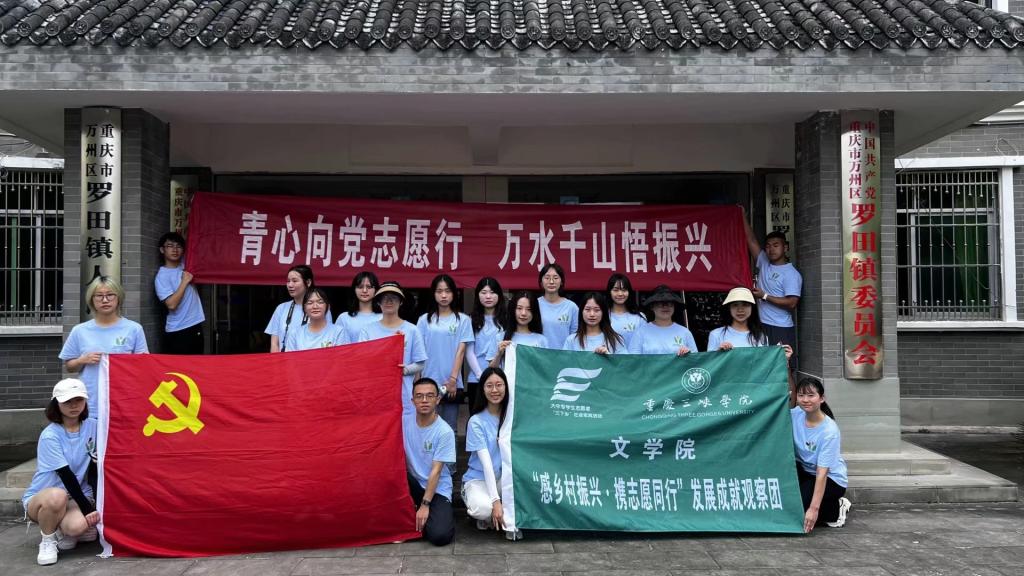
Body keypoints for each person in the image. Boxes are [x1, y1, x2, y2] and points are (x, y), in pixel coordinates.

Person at [22, 379, 100, 566]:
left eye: (79, 400)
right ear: (56, 404)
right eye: (67, 401)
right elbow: (66, 475)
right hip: (46, 497)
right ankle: (47, 540)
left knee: (77, 528)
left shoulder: (94, 426)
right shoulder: (50, 435)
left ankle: (64, 530)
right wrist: (88, 509)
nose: (74, 405)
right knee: (57, 496)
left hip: (75, 496)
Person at [59, 276, 148, 416]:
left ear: (118, 298)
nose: (105, 300)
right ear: (91, 300)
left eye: (110, 295)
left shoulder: (134, 329)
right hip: (91, 401)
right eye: (99, 296)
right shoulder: (79, 330)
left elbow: (144, 366)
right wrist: (82, 360)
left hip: (124, 399)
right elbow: (69, 367)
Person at [462, 367, 520, 540]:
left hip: (504, 477)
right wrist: (495, 501)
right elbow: (487, 464)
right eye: (489, 386)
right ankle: (490, 513)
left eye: (499, 385)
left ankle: (500, 516)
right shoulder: (476, 421)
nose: (495, 390)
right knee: (483, 509)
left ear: (506, 387)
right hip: (479, 479)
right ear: (482, 389)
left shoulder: (513, 417)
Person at [358, 281, 428, 416]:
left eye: (393, 298)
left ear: (400, 302)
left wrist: (405, 370)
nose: (388, 301)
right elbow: (361, 361)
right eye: (384, 298)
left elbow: (421, 363)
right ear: (378, 302)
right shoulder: (367, 330)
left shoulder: (412, 330)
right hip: (374, 396)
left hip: (403, 396)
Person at [792, 377, 852, 532]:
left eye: (811, 395)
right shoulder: (796, 414)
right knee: (787, 501)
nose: (805, 400)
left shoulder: (829, 431)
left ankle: (836, 509)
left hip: (831, 479)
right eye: (801, 395)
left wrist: (814, 509)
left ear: (822, 398)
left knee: (799, 509)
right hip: (805, 472)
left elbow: (822, 473)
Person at [744, 213, 803, 370]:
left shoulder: (791, 274)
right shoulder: (764, 262)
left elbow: (792, 303)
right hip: (761, 325)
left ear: (785, 247)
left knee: (783, 368)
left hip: (780, 327)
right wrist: (742, 214)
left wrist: (764, 295)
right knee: (763, 367)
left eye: (776, 245)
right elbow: (751, 240)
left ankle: (792, 389)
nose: (771, 249)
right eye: (768, 246)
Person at [417, 274, 473, 433]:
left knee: (450, 429)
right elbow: (419, 353)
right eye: (439, 291)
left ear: (454, 294)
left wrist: (453, 380)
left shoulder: (463, 320)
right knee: (427, 428)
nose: (443, 295)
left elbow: (461, 351)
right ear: (433, 294)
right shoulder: (424, 320)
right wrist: (417, 382)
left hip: (451, 384)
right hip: (428, 382)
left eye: (447, 291)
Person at [403, 378, 456, 546]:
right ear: (412, 400)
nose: (424, 400)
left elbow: (436, 471)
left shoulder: (444, 431)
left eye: (429, 396)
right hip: (412, 484)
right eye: (419, 396)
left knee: (440, 536)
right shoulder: (403, 422)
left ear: (437, 399)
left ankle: (426, 517)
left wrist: (425, 504)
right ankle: (416, 518)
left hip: (437, 488)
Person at [707, 286, 794, 359]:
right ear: (729, 308)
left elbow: (764, 365)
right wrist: (719, 354)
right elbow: (709, 367)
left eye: (745, 305)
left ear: (752, 308)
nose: (740, 310)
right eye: (735, 305)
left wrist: (782, 359)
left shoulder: (761, 336)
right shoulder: (716, 335)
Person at [154, 232, 205, 354]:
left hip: (195, 325)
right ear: (162, 250)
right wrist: (184, 282)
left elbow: (198, 249)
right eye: (170, 246)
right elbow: (171, 305)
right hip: (178, 329)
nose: (175, 249)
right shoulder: (162, 276)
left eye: (179, 246)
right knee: (179, 365)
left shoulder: (186, 265)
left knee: (197, 364)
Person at [465, 277, 506, 412]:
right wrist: (480, 375)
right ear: (478, 295)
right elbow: (469, 351)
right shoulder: (470, 319)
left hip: (501, 377)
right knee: (476, 416)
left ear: (499, 295)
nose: (488, 296)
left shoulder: (506, 319)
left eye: (492, 292)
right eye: (483, 292)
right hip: (476, 378)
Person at [266, 265, 326, 353]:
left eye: (295, 281)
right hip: (284, 360)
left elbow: (325, 340)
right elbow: (275, 343)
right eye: (288, 281)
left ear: (308, 282)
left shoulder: (320, 308)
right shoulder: (281, 308)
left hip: (310, 359)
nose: (290, 285)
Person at [627, 285, 697, 356]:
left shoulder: (685, 332)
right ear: (652, 306)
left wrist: (688, 354)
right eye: (660, 303)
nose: (665, 306)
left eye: (669, 303)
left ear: (674, 306)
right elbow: (633, 360)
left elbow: (695, 359)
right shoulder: (640, 332)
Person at [490, 291, 546, 368]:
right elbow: (491, 369)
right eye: (519, 308)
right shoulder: (500, 337)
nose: (523, 313)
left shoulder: (541, 340)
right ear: (513, 310)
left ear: (534, 312)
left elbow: (544, 369)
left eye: (529, 309)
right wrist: (499, 354)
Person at [284, 287, 350, 351]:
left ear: (328, 307)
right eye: (310, 303)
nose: (315, 306)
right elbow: (290, 358)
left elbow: (344, 357)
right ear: (304, 308)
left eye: (320, 302)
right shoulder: (295, 334)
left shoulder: (339, 332)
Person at [536, 263, 578, 350]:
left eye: (555, 278)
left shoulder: (571, 307)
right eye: (547, 278)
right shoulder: (534, 304)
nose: (551, 282)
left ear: (561, 281)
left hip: (565, 355)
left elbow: (575, 337)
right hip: (539, 355)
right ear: (541, 281)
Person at [335, 271, 382, 343]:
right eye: (360, 287)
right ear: (354, 290)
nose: (364, 290)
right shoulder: (344, 318)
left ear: (376, 290)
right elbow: (337, 344)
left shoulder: (383, 317)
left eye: (369, 287)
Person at [606, 273, 645, 349]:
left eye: (624, 290)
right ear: (609, 292)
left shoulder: (640, 317)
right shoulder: (603, 316)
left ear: (629, 292)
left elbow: (645, 343)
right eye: (616, 290)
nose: (620, 294)